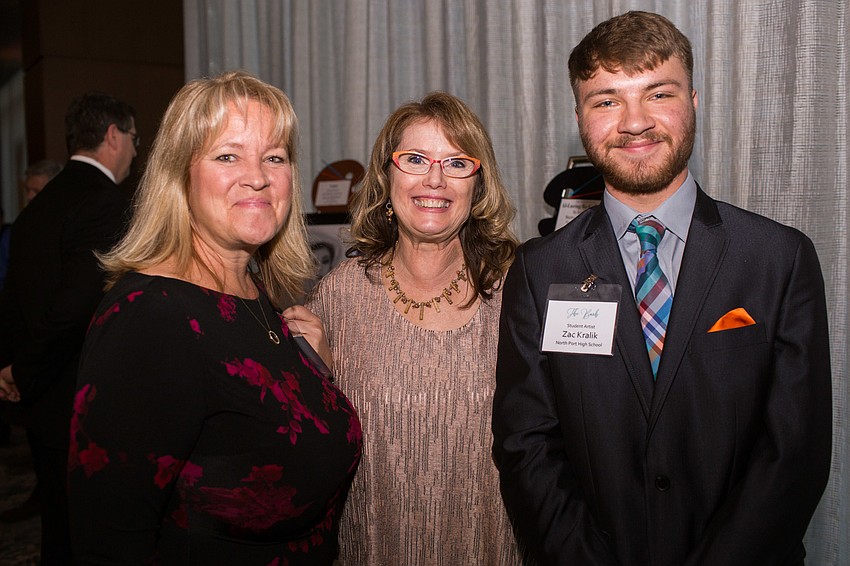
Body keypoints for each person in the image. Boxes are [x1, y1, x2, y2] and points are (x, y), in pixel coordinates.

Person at [492, 11, 832, 566]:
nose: (634, 122)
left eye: (658, 94)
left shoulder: (780, 260)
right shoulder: (538, 271)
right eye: (606, 100)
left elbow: (794, 453)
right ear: (579, 117)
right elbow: (526, 446)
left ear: (693, 102)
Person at [65, 71, 362, 565]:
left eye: (275, 157)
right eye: (228, 156)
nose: (258, 177)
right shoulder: (149, 318)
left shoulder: (252, 293)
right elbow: (109, 538)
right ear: (179, 175)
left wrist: (316, 376)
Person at [307, 92, 523, 564]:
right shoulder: (338, 297)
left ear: (478, 185)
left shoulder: (518, 294)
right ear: (387, 175)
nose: (435, 179)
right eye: (415, 159)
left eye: (457, 163)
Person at [0, 92, 136, 564]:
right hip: (83, 398)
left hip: (41, 395)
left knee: (57, 526)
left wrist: (14, 367)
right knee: (91, 535)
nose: (134, 151)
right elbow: (75, 307)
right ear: (113, 136)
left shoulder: (37, 207)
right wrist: (23, 369)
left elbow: (12, 300)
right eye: (134, 138)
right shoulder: (105, 203)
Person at [0, 158, 62, 522]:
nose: (32, 198)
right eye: (28, 191)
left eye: (39, 191)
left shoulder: (64, 230)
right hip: (25, 342)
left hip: (54, 348)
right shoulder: (19, 230)